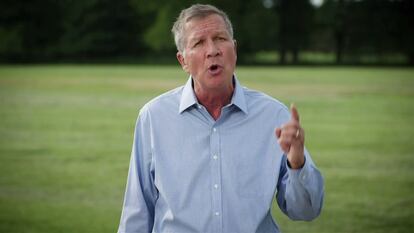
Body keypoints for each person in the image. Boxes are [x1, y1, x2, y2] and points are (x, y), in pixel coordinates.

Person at [117, 4, 324, 233]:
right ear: (183, 61)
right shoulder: (153, 118)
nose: (213, 50)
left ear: (234, 50)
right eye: (198, 43)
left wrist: (297, 163)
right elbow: (137, 213)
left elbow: (306, 211)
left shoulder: (274, 116)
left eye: (220, 38)